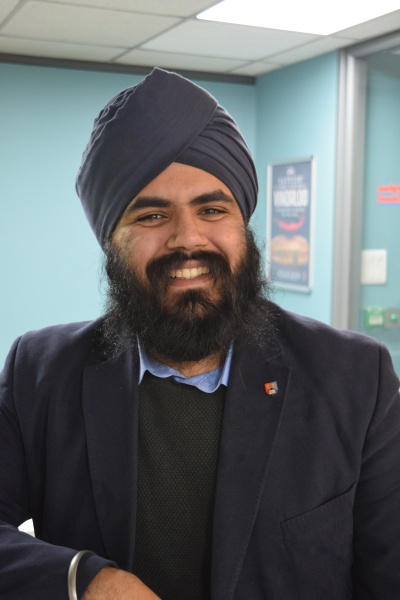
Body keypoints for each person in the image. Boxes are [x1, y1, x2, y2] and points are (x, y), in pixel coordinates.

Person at [0, 68, 399, 600]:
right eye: (151, 215)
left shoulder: (355, 379)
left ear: (243, 226)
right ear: (110, 242)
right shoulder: (40, 372)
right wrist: (83, 579)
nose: (187, 240)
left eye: (212, 209)